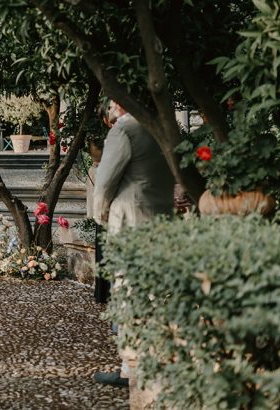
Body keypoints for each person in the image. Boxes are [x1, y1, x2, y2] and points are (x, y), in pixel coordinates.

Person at [92, 99, 174, 388]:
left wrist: (100, 216)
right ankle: (155, 360)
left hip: (130, 221)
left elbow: (104, 183)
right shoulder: (159, 126)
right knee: (154, 295)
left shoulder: (124, 130)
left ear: (117, 104)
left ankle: (131, 369)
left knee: (129, 294)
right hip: (161, 218)